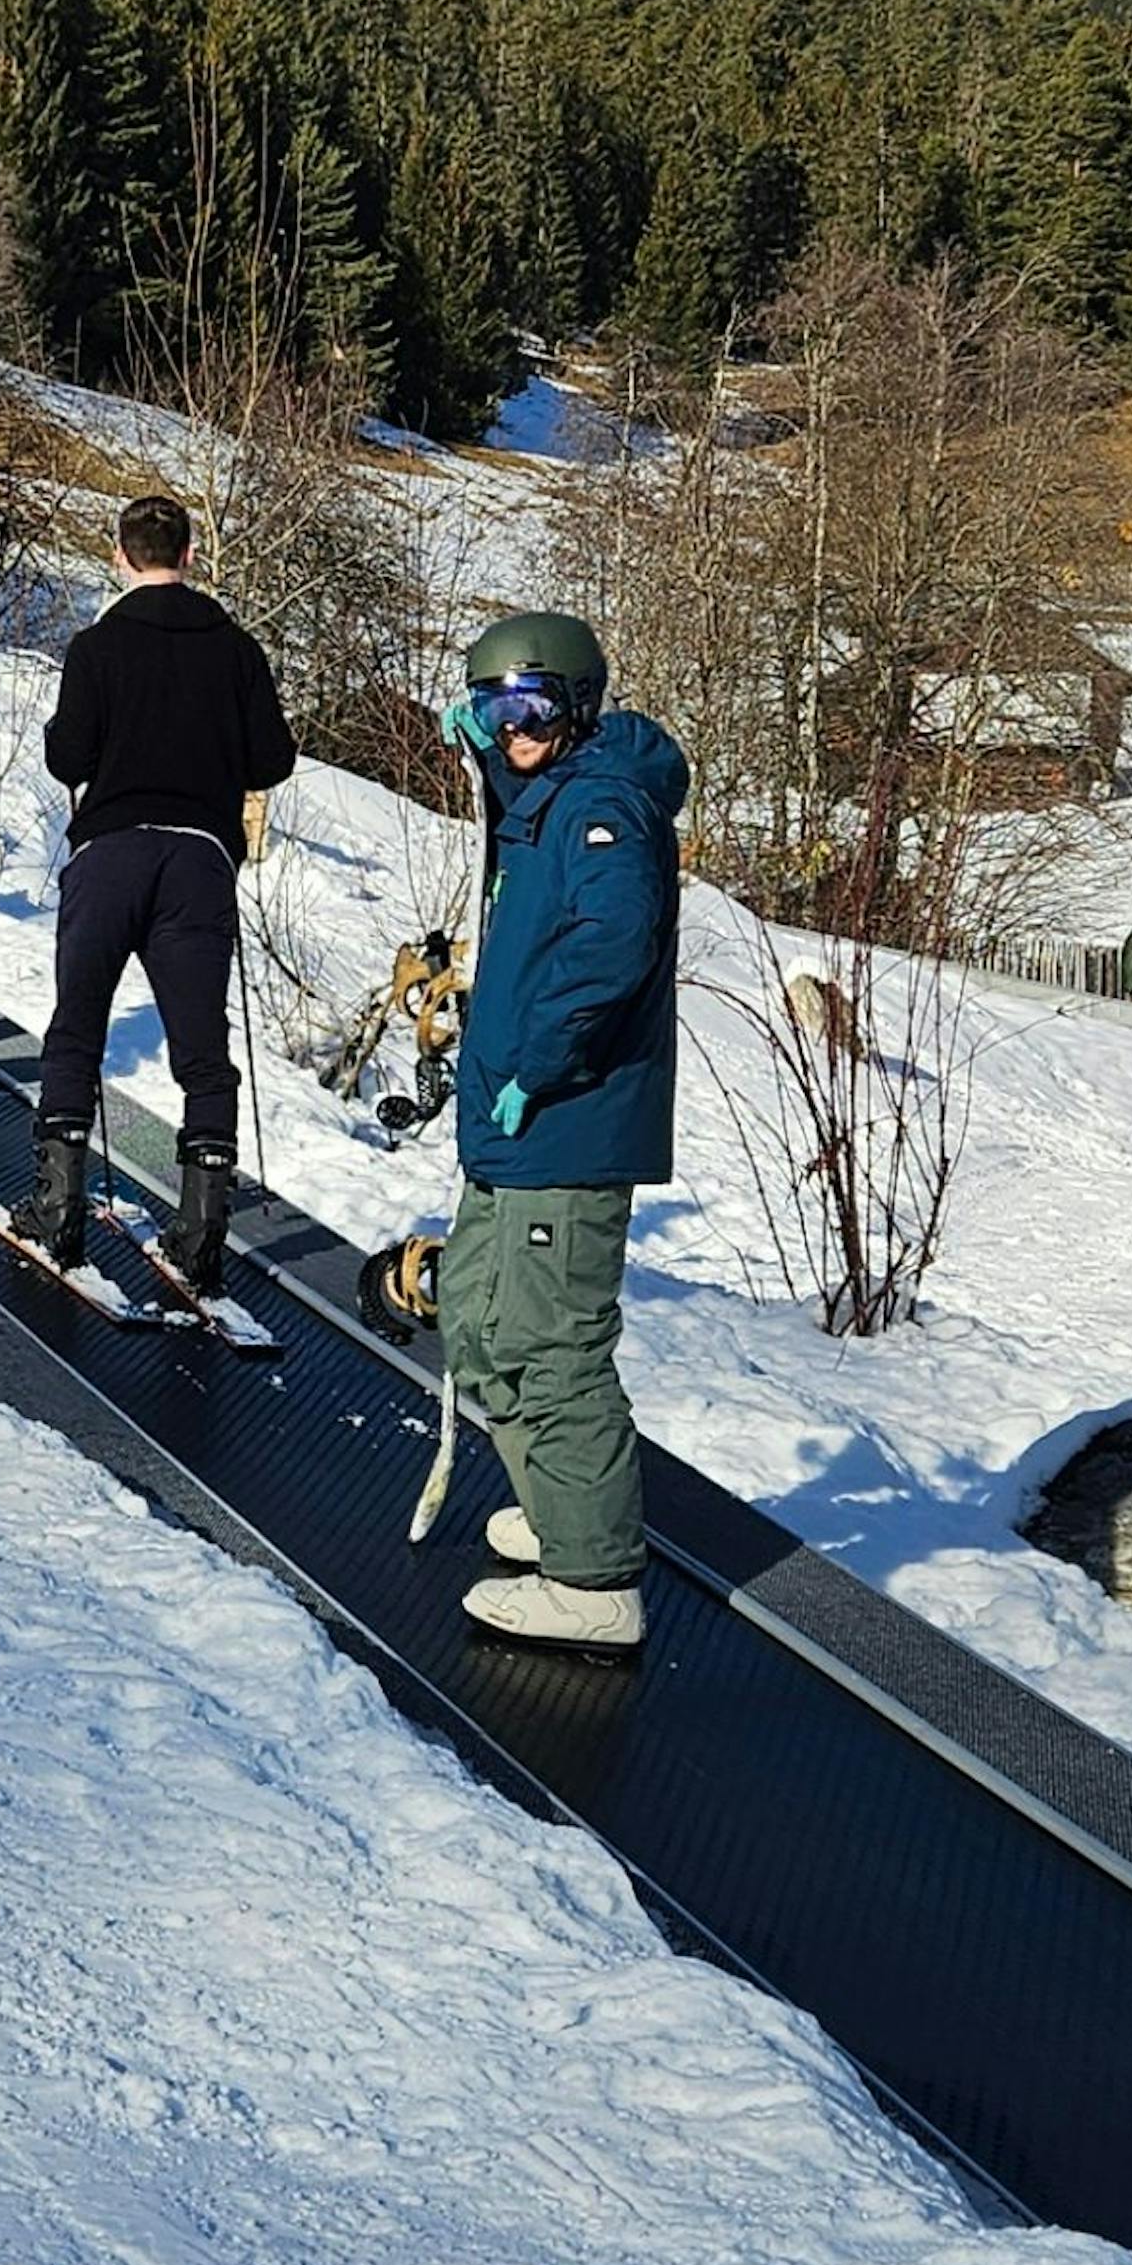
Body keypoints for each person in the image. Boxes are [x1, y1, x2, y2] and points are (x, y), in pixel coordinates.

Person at [422, 609, 687, 1655]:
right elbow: (523, 810)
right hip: (515, 1125)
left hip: (565, 1119)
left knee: (550, 1346)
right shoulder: (548, 798)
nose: (512, 729)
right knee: (481, 1325)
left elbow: (614, 943)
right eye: (494, 710)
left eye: (529, 709)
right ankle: (563, 1513)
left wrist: (537, 1063)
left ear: (576, 708)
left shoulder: (604, 806)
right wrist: (486, 762)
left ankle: (594, 1580)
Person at [10, 493, 296, 1293]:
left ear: (119, 555)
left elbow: (69, 757)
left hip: (111, 852)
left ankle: (57, 1210)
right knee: (203, 1052)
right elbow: (272, 759)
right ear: (192, 555)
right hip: (199, 860)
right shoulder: (236, 650)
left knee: (77, 1029)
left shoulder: (97, 645)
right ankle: (201, 1236)